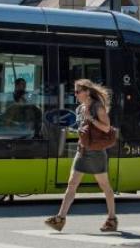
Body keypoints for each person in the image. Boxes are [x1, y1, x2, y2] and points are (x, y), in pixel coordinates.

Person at [45, 79, 117, 232]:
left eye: (78, 91)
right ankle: (60, 218)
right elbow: (82, 129)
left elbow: (106, 128)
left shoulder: (98, 108)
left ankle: (112, 218)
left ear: (87, 92)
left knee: (105, 186)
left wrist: (91, 119)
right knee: (72, 184)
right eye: (75, 91)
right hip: (82, 151)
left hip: (96, 152)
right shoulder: (79, 109)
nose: (75, 94)